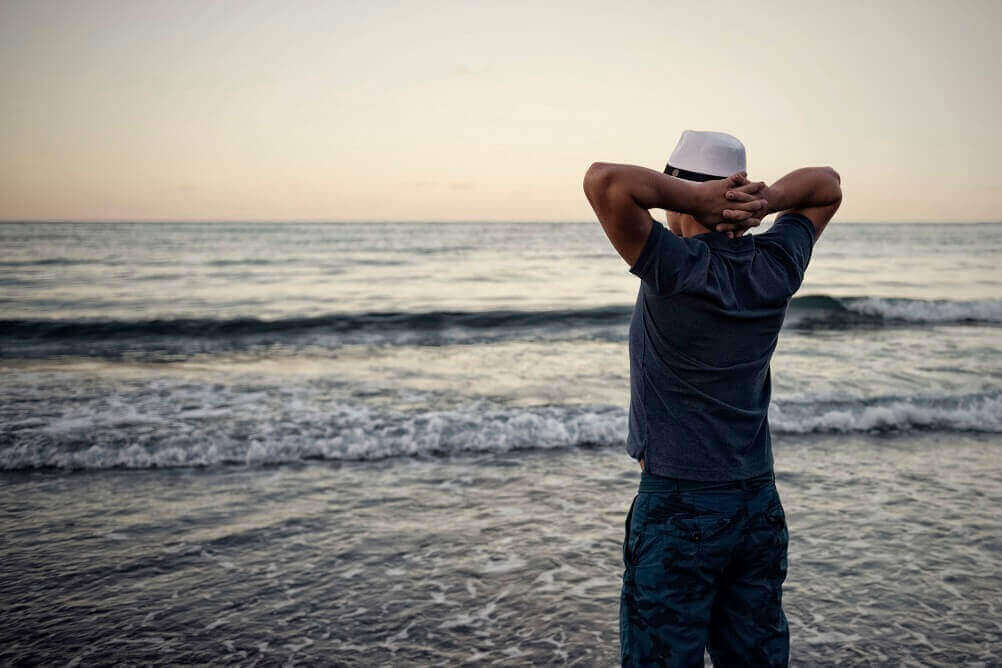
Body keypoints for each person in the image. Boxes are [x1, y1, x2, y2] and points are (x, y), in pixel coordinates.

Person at [582, 130, 842, 667]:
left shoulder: (676, 267)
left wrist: (697, 199)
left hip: (680, 506)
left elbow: (604, 181)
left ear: (683, 196)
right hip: (757, 503)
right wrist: (765, 201)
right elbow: (828, 185)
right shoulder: (775, 264)